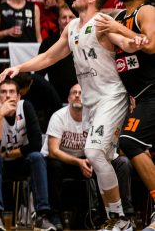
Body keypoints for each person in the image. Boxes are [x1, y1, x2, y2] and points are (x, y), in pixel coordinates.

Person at [0, 0, 146, 231]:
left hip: (112, 96)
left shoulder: (102, 21)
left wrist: (133, 42)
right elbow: (48, 57)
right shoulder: (72, 27)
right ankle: (116, 218)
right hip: (92, 103)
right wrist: (19, 67)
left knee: (94, 153)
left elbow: (124, 42)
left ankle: (120, 218)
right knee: (100, 158)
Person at [95, 0, 155, 231]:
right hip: (139, 96)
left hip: (153, 91)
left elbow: (151, 45)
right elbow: (92, 17)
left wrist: (117, 28)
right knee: (134, 146)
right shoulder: (119, 16)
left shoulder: (146, 10)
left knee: (129, 141)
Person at [42, 84, 134, 229]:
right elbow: (53, 151)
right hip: (64, 161)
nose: (77, 95)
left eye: (81, 93)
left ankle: (114, 217)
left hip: (88, 159)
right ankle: (54, 216)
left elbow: (104, 146)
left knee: (116, 164)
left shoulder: (95, 117)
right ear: (68, 98)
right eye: (74, 93)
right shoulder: (59, 116)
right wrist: (78, 162)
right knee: (54, 166)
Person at [0, 78, 58, 231]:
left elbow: (36, 144)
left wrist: (9, 153)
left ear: (18, 96)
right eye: (3, 92)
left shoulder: (25, 106)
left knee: (37, 157)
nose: (8, 96)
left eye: (11, 92)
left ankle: (42, 215)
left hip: (18, 161)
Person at [37, 4, 78, 100]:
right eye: (64, 17)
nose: (67, 21)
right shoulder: (48, 43)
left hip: (81, 98)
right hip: (56, 99)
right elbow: (39, 74)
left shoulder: (83, 39)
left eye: (71, 17)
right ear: (58, 20)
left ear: (76, 20)